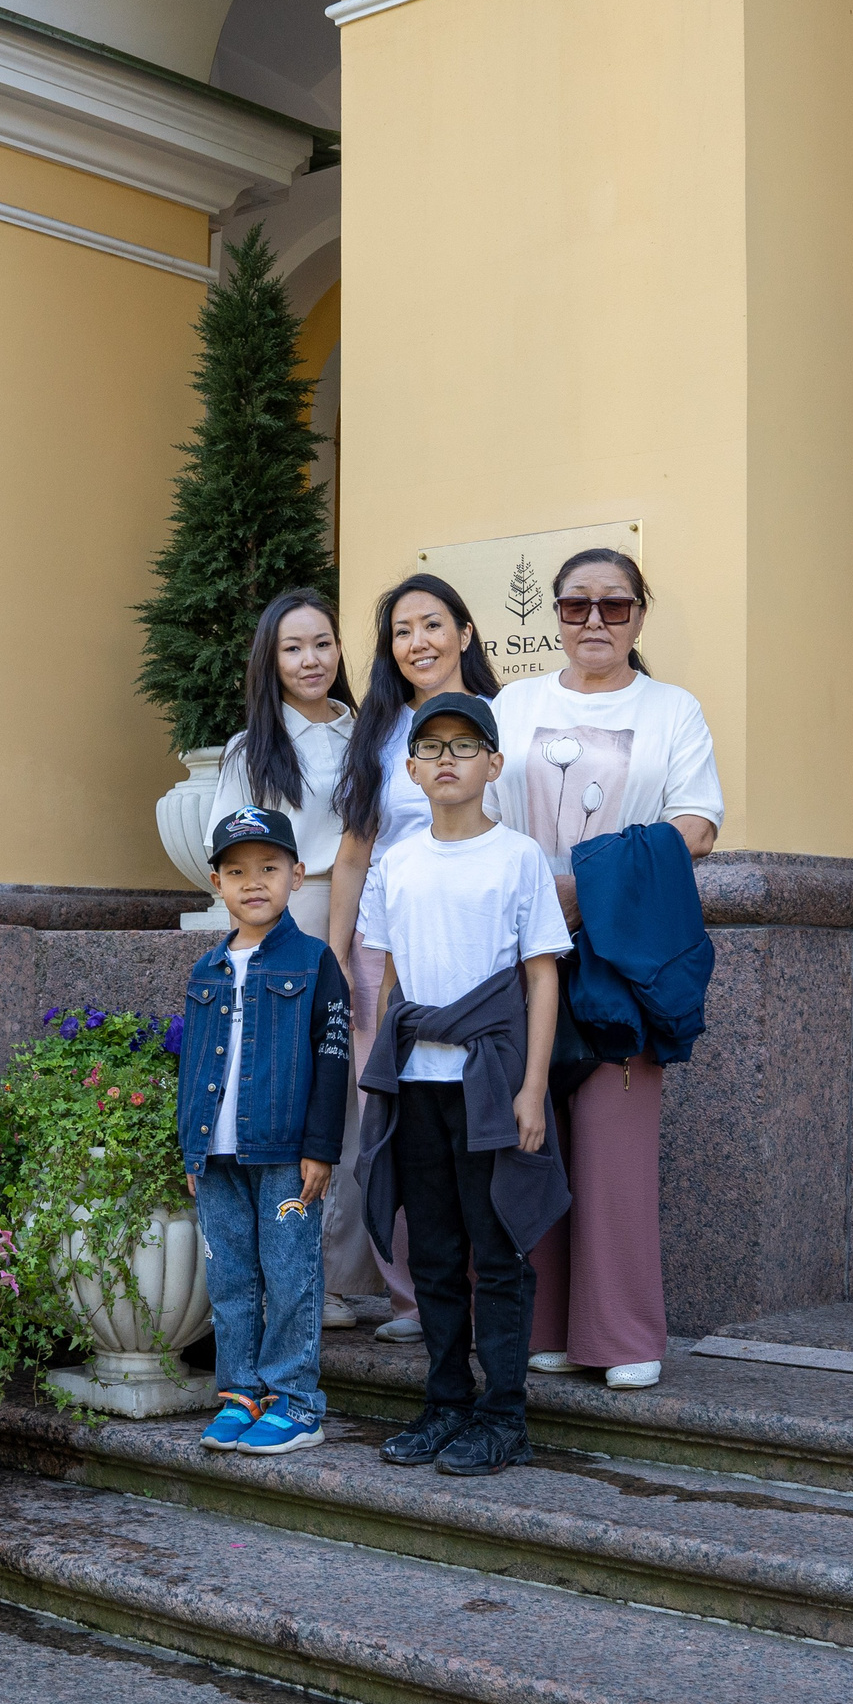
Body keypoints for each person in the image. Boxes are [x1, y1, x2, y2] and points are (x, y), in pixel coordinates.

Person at [490, 548, 721, 1392]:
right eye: (576, 604)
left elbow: (698, 824)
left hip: (624, 948)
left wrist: (586, 885)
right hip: (521, 940)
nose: (594, 620)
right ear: (554, 613)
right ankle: (547, 1324)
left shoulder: (671, 709)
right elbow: (478, 805)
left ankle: (621, 1333)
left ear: (639, 615)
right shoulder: (515, 704)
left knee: (613, 1139)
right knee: (534, 1134)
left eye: (614, 605)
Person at [352, 693, 572, 1476]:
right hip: (418, 1084)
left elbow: (540, 977)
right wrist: (382, 1077)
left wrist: (532, 1088)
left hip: (491, 1083)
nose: (447, 759)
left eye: (465, 745)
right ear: (411, 770)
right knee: (436, 1252)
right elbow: (390, 976)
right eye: (432, 747)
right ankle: (445, 1402)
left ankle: (504, 1414)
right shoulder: (397, 862)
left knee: (498, 1245)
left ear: (494, 763)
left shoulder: (517, 857)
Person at [327, 574, 500, 1343]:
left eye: (432, 624)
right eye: (402, 630)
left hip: (481, 951)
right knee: (392, 1117)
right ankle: (413, 1297)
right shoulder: (381, 730)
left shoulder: (505, 717)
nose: (418, 642)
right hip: (385, 952)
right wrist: (338, 954)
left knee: (478, 1114)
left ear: (464, 632)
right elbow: (353, 855)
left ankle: (488, 1293)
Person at [206, 590, 368, 1327]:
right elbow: (227, 851)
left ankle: (344, 1274)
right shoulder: (252, 748)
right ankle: (296, 1278)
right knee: (287, 1087)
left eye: (322, 643)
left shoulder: (368, 731)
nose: (311, 660)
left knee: (352, 1092)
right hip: (288, 913)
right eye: (293, 647)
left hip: (366, 912)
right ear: (270, 660)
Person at [179, 807, 355, 1457]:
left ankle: (295, 1402)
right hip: (216, 1153)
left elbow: (333, 1059)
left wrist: (320, 1148)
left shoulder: (314, 961)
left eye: (269, 868)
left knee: (289, 1276)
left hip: (285, 1153)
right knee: (229, 1279)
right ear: (217, 884)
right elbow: (193, 1063)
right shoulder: (207, 968)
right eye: (236, 871)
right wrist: (191, 1146)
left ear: (297, 876)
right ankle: (242, 1394)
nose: (253, 882)